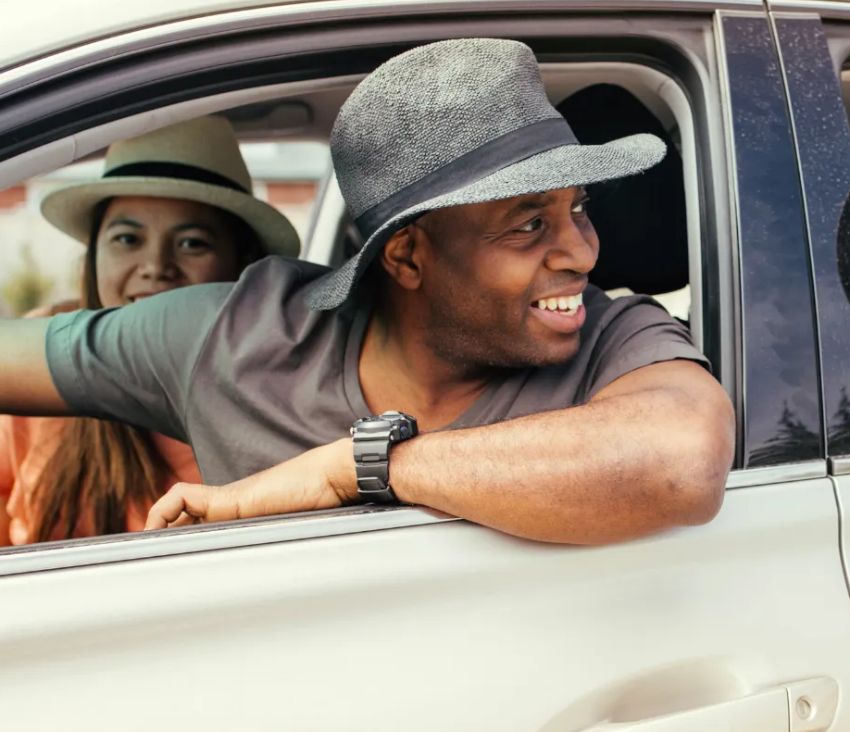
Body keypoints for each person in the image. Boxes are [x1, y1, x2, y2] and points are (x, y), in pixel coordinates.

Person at [0, 38, 734, 544]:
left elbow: (681, 460)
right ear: (408, 257)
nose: (581, 251)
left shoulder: (615, 338)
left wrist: (357, 465)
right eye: (527, 223)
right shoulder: (235, 334)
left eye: (580, 208)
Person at [0, 116, 299, 545]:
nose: (156, 266)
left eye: (192, 243)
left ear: (241, 264)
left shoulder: (276, 386)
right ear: (94, 255)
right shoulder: (37, 357)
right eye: (127, 239)